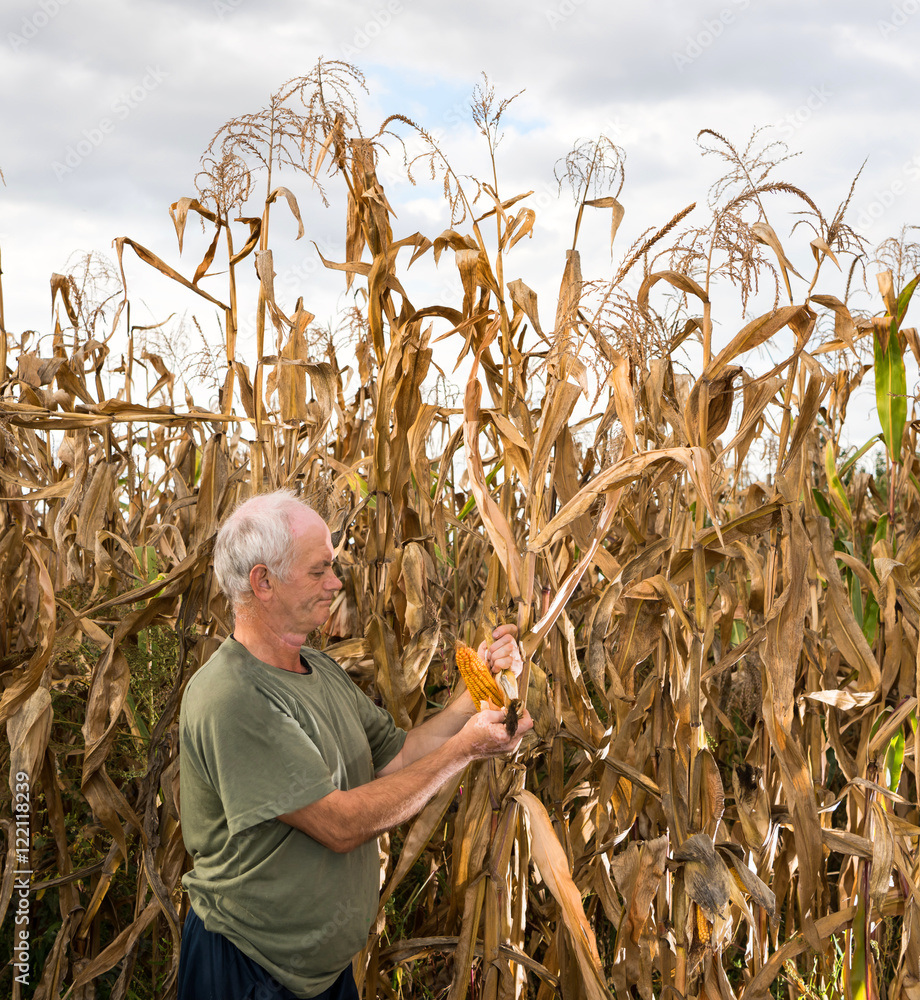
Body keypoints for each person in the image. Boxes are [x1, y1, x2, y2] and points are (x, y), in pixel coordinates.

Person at [177, 489, 532, 1000]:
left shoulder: (318, 670)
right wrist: (466, 751)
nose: (336, 583)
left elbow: (401, 755)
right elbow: (339, 825)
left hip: (321, 975)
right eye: (319, 570)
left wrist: (478, 693)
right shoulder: (233, 696)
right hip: (248, 970)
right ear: (263, 582)